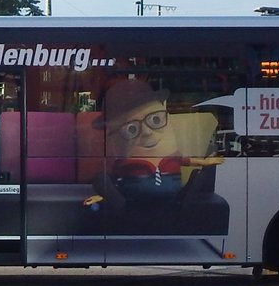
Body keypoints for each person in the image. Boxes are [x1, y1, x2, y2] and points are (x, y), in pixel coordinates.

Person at [85, 79, 222, 209]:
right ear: (113, 140)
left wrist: (204, 162)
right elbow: (115, 182)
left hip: (172, 197)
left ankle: (182, 200)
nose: (147, 132)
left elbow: (187, 160)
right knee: (102, 181)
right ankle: (121, 205)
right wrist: (105, 195)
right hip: (133, 200)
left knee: (198, 176)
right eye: (131, 128)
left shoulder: (174, 157)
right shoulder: (123, 165)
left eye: (155, 120)